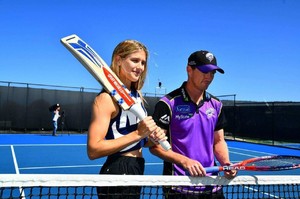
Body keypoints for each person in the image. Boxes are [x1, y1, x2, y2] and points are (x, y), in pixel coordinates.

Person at [150, 50, 237, 198]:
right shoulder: (167, 104)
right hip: (180, 188)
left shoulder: (216, 105)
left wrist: (226, 163)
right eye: (205, 72)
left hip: (212, 186)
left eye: (213, 73)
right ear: (189, 70)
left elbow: (218, 141)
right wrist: (185, 161)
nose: (209, 77)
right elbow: (155, 147)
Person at [87, 40, 166, 199]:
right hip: (118, 170)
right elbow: (93, 149)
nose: (141, 67)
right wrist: (138, 134)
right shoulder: (105, 99)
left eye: (143, 62)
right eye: (135, 60)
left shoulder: (137, 96)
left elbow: (135, 139)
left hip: (135, 168)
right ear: (118, 60)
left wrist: (152, 138)